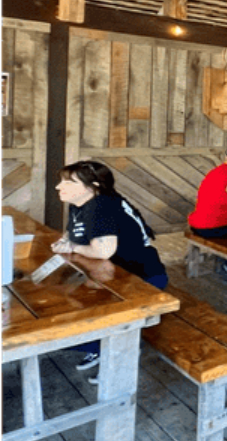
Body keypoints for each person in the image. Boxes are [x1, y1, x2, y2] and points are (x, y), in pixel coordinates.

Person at [53, 160, 168, 378]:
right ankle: (100, 347)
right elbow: (73, 231)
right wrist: (66, 241)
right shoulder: (80, 203)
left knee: (62, 322)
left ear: (93, 186)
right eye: (61, 181)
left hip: (142, 278)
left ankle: (119, 352)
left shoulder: (102, 206)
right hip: (112, 274)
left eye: (69, 182)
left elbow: (103, 250)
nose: (59, 187)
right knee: (63, 304)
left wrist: (72, 247)